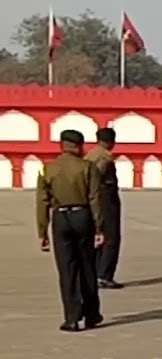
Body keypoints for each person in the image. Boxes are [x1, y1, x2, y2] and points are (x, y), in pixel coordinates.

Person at [36, 130, 106, 332]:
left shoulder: (47, 169)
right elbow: (95, 198)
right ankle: (92, 314)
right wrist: (99, 227)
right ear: (79, 146)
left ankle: (72, 318)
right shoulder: (88, 167)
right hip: (82, 216)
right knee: (87, 267)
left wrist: (42, 232)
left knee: (67, 270)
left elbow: (42, 202)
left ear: (62, 145)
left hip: (61, 219)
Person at [86, 128, 123, 289]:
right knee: (111, 238)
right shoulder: (105, 157)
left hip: (93, 201)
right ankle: (104, 275)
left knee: (98, 238)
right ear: (111, 141)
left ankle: (95, 273)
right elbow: (96, 176)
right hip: (105, 200)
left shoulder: (91, 154)